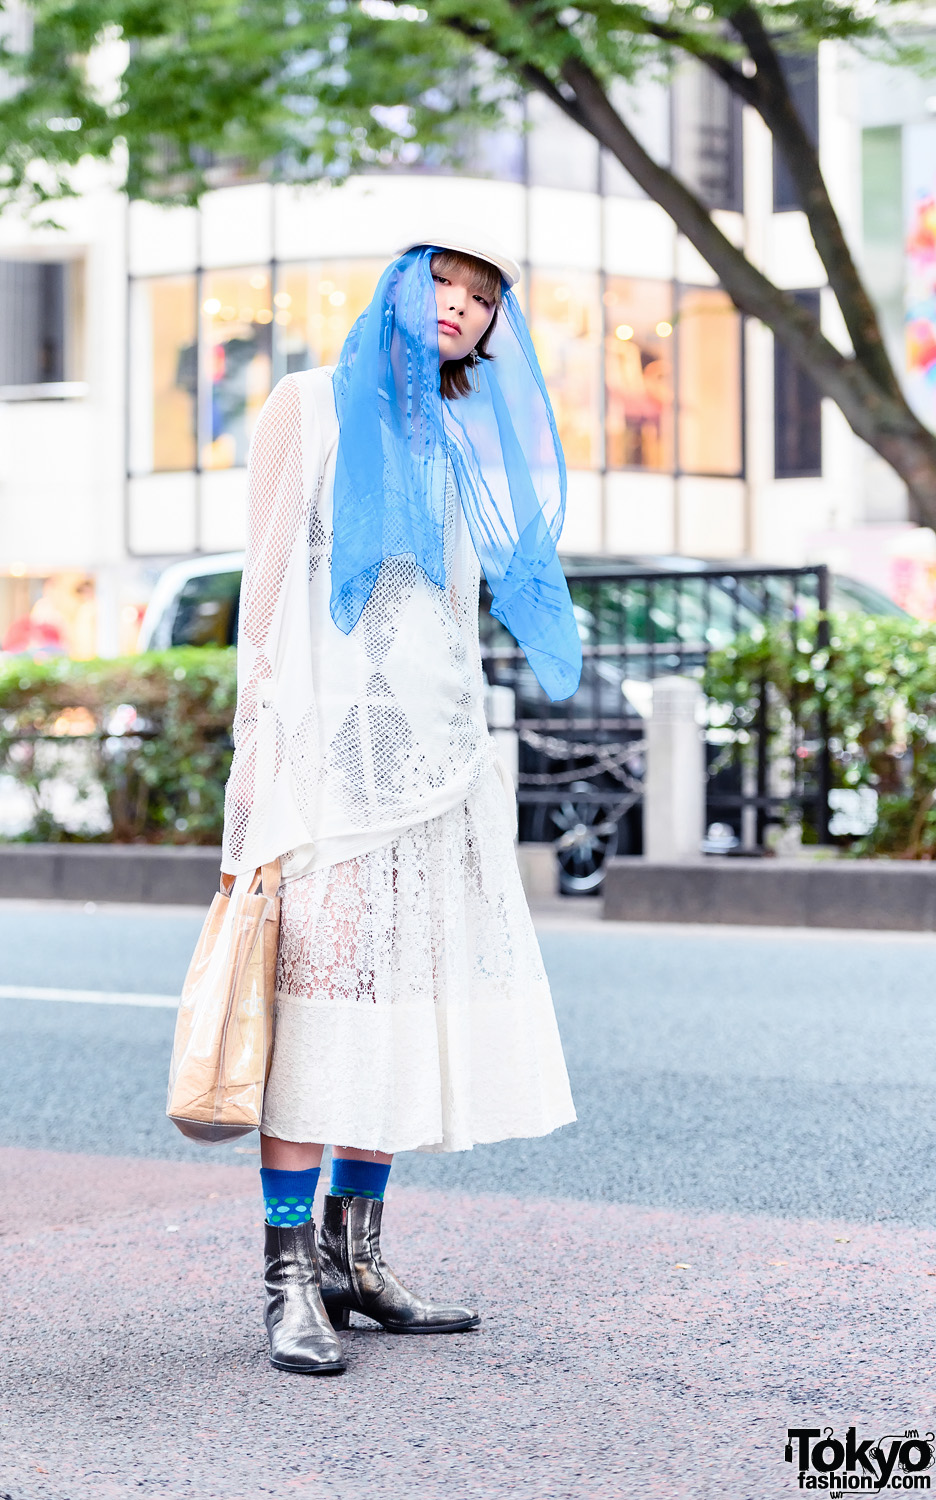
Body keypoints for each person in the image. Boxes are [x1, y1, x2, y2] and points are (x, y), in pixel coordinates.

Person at [218, 233, 583, 1375]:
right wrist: (252, 759)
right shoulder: (305, 405)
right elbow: (265, 590)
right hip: (324, 768)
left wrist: (473, 768)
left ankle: (355, 1259)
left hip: (437, 769)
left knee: (401, 1000)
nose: (463, 309)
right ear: (398, 286)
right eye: (447, 284)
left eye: (483, 301)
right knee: (318, 1009)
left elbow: (457, 620)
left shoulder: (466, 441)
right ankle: (287, 1277)